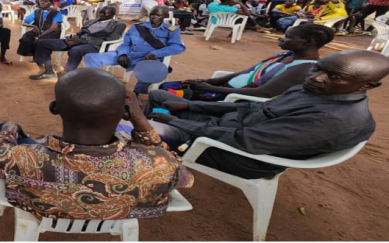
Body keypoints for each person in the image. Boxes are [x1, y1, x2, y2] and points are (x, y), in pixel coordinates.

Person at [0, 68, 194, 220]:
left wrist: (10, 127)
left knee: (8, 129)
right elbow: (184, 178)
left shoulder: (18, 158)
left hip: (43, 208)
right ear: (126, 113)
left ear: (54, 108)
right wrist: (139, 120)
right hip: (120, 215)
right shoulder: (159, 164)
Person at [146, 50, 389, 179]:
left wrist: (176, 122)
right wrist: (190, 107)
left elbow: (244, 141)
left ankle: (150, 169)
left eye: (333, 77)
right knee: (159, 98)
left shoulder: (331, 120)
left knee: (142, 128)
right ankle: (154, 151)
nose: (316, 77)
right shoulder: (313, 90)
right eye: (318, 68)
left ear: (367, 86)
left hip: (235, 153)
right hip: (226, 127)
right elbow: (251, 107)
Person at [160, 24, 334, 101]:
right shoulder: (287, 55)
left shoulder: (303, 68)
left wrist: (210, 88)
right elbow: (248, 73)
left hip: (234, 98)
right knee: (169, 87)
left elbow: (262, 93)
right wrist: (208, 81)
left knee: (165, 93)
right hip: (224, 87)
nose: (283, 38)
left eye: (288, 37)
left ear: (308, 42)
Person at [85, 5, 186, 93]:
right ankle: (97, 85)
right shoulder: (137, 27)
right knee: (91, 57)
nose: (153, 17)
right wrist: (122, 54)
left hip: (148, 58)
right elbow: (126, 43)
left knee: (151, 70)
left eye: (158, 15)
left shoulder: (171, 30)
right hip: (129, 55)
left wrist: (157, 53)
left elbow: (178, 46)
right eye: (152, 14)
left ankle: (137, 93)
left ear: (164, 16)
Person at [30, 6, 126, 80]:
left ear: (113, 14)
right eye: (100, 13)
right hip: (78, 41)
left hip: (95, 46)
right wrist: (72, 38)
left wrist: (81, 41)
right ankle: (48, 72)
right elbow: (81, 32)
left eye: (105, 14)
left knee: (75, 50)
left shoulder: (119, 25)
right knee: (42, 42)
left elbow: (109, 40)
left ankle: (68, 75)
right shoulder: (92, 21)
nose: (101, 16)